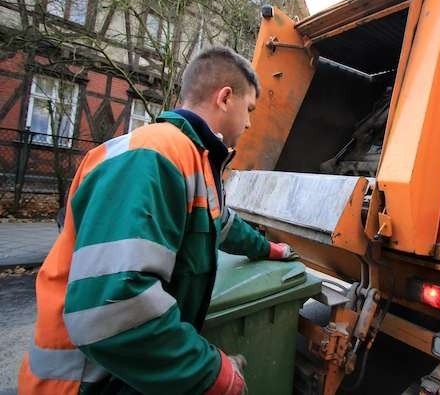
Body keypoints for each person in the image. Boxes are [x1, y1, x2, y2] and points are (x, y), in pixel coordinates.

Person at [18, 46, 297, 395]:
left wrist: (271, 249)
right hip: (84, 383)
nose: (250, 122)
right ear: (225, 98)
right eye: (250, 109)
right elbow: (113, 306)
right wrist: (211, 373)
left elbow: (223, 224)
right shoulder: (152, 156)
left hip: (122, 376)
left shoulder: (191, 159)